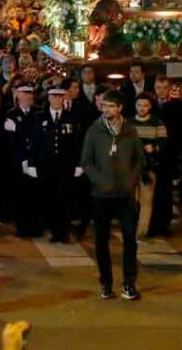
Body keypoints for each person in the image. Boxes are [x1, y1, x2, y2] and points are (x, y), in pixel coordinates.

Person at [79, 91, 144, 301]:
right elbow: (86, 161)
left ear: (120, 108)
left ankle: (129, 283)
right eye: (104, 105)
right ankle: (106, 283)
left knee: (129, 239)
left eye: (110, 106)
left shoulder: (130, 131)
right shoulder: (94, 131)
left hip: (125, 195)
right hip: (101, 195)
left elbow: (139, 160)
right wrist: (100, 181)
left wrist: (130, 181)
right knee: (101, 241)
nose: (105, 109)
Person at [41, 88, 83, 243]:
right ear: (49, 98)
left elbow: (78, 143)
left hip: (65, 166)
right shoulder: (41, 117)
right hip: (47, 166)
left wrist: (79, 164)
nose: (57, 100)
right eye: (54, 97)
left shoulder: (71, 118)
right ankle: (55, 231)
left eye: (60, 97)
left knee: (65, 199)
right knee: (50, 199)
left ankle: (64, 231)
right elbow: (36, 142)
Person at [4, 86, 46, 238]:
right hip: (19, 159)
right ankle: (22, 227)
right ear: (18, 97)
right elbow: (11, 139)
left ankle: (36, 227)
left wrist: (19, 129)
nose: (27, 98)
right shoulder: (12, 113)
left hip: (35, 158)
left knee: (36, 195)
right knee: (21, 195)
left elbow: (37, 134)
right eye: (24, 96)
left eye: (29, 96)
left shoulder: (38, 112)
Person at [128, 93, 166, 239]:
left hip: (148, 167)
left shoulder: (158, 123)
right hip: (131, 167)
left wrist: (154, 147)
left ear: (150, 106)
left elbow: (163, 142)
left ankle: (141, 231)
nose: (142, 108)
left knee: (146, 200)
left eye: (145, 105)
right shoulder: (128, 123)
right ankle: (130, 228)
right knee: (131, 200)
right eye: (139, 105)